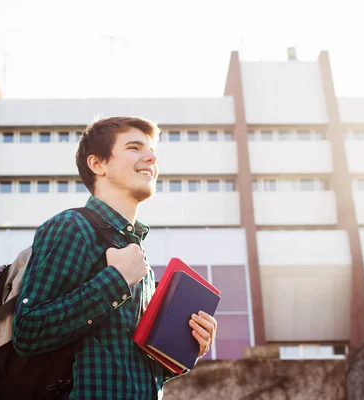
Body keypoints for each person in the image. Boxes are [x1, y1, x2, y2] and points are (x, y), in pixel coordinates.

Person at [12, 116, 217, 399]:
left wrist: (186, 347)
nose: (151, 157)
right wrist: (117, 280)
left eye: (151, 151)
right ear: (98, 164)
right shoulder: (72, 227)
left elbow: (130, 367)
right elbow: (27, 332)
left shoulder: (137, 258)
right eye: (134, 148)